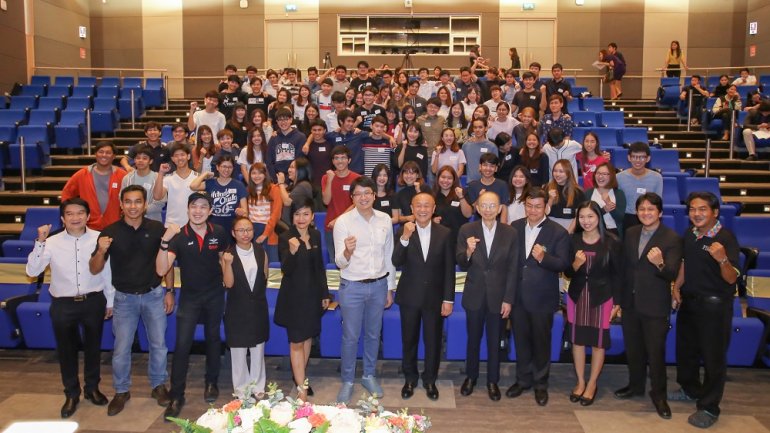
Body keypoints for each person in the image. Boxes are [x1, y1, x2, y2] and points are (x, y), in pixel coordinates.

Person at [88, 185, 173, 416]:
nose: (133, 206)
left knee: (159, 345)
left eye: (137, 201)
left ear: (145, 205)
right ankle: (121, 390)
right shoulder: (109, 232)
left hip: (154, 294)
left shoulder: (157, 229)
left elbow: (167, 261)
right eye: (128, 201)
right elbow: (94, 268)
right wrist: (100, 251)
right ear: (121, 204)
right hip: (124, 299)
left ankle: (158, 385)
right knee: (121, 348)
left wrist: (170, 291)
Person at [26, 198, 112, 418]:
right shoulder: (51, 242)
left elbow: (107, 272)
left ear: (88, 216)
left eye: (80, 213)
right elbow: (32, 271)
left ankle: (92, 388)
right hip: (63, 304)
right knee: (66, 351)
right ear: (63, 218)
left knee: (93, 348)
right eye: (70, 214)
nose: (76, 218)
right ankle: (71, 393)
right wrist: (40, 241)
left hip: (93, 300)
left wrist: (110, 301)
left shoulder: (99, 238)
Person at [156, 192, 230, 419]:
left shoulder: (219, 232)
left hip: (215, 294)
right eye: (194, 206)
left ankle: (211, 382)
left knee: (213, 339)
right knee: (182, 344)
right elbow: (161, 269)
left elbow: (224, 260)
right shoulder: (178, 236)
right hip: (190, 297)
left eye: (203, 207)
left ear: (210, 211)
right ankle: (177, 395)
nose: (198, 211)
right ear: (187, 209)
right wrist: (164, 241)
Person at [669, 191, 740, 429]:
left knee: (713, 357)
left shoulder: (725, 238)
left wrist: (722, 259)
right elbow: (685, 263)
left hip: (715, 306)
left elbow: (732, 279)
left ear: (715, 212)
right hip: (690, 301)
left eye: (702, 209)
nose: (696, 214)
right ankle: (690, 389)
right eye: (692, 209)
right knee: (686, 350)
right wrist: (677, 286)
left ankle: (709, 406)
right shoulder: (691, 234)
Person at [615, 192, 682, 420]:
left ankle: (659, 395)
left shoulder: (671, 238)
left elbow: (671, 273)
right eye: (642, 209)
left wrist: (659, 263)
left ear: (660, 213)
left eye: (651, 209)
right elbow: (624, 269)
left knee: (655, 353)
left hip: (655, 305)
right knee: (633, 349)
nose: (646, 213)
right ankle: (635, 386)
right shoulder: (631, 233)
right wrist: (619, 300)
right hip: (630, 302)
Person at [333, 176, 397, 403]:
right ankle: (348, 380)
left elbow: (389, 255)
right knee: (350, 337)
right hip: (352, 286)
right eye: (358, 194)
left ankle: (369, 375)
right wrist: (347, 251)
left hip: (379, 285)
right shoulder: (343, 222)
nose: (363, 197)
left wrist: (390, 287)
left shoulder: (385, 219)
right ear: (352, 197)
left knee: (373, 334)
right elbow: (339, 262)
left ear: (374, 195)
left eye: (367, 193)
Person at [507, 188, 570, 406]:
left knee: (541, 342)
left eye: (538, 206)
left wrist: (544, 258)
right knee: (521, 340)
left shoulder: (558, 232)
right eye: (529, 206)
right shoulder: (514, 227)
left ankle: (541, 384)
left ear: (546, 208)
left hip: (542, 297)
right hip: (518, 295)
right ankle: (523, 380)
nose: (533, 210)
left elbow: (563, 264)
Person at [456, 191, 519, 401]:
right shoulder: (467, 230)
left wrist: (508, 299)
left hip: (498, 297)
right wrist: (468, 251)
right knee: (473, 339)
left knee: (495, 341)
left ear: (500, 208)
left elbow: (513, 268)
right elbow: (461, 262)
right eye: (484, 205)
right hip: (474, 294)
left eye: (492, 206)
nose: (488, 209)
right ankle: (471, 377)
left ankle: (493, 380)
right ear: (477, 208)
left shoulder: (510, 233)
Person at [392, 192, 455, 401]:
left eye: (427, 205)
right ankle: (410, 379)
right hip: (409, 296)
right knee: (408, 340)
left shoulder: (445, 233)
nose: (422, 209)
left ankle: (430, 380)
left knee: (433, 342)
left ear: (434, 208)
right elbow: (396, 261)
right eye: (418, 205)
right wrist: (404, 238)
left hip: (434, 298)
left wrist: (448, 299)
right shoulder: (404, 230)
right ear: (412, 208)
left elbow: (449, 269)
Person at [564, 201, 623, 407]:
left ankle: (592, 383)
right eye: (582, 217)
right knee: (578, 341)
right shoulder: (573, 240)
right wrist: (576, 264)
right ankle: (580, 381)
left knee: (598, 343)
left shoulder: (612, 241)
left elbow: (618, 275)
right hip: (577, 296)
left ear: (598, 217)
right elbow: (567, 272)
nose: (586, 221)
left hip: (602, 297)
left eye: (590, 216)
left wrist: (617, 302)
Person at [276, 198, 330, 400]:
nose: (301, 218)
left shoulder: (316, 235)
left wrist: (324, 293)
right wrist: (292, 251)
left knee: (307, 338)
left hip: (312, 296)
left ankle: (301, 379)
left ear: (312, 216)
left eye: (305, 214)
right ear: (292, 217)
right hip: (293, 298)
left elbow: (319, 267)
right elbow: (286, 269)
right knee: (296, 342)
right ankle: (301, 391)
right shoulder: (286, 237)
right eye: (297, 214)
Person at [221, 216, 269, 399]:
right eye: (240, 230)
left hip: (257, 306)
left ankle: (258, 386)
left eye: (248, 229)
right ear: (233, 233)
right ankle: (241, 389)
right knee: (238, 351)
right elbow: (229, 284)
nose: (245, 233)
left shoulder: (261, 252)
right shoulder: (228, 255)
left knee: (258, 350)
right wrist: (227, 263)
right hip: (237, 308)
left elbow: (264, 277)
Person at [61, 141, 127, 231]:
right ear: (95, 154)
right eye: (101, 152)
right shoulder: (82, 174)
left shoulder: (122, 175)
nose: (104, 155)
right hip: (89, 226)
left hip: (115, 226)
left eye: (108, 152)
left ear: (114, 156)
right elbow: (67, 193)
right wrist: (70, 214)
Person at [322, 145, 361, 263]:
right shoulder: (326, 178)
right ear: (333, 161)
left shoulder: (357, 179)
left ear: (349, 160)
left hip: (352, 226)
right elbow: (326, 201)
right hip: (331, 228)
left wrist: (338, 220)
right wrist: (330, 180)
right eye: (336, 158)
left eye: (343, 157)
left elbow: (357, 203)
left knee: (354, 261)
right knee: (335, 262)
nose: (340, 161)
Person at [189, 154, 248, 230]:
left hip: (232, 227)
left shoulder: (239, 185)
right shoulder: (211, 182)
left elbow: (245, 212)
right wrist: (205, 174)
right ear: (217, 167)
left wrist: (241, 212)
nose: (227, 170)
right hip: (212, 226)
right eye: (224, 166)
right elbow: (193, 186)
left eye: (230, 167)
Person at [616, 141, 663, 233]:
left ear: (648, 158)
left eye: (642, 157)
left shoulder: (657, 177)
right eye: (634, 157)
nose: (638, 160)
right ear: (629, 158)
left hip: (648, 217)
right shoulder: (619, 177)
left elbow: (658, 203)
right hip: (626, 219)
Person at [153, 143, 198, 227]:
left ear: (188, 156)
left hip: (193, 225)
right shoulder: (168, 178)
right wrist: (161, 173)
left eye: (182, 155)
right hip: (171, 226)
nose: (179, 158)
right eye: (176, 156)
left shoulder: (197, 177)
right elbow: (157, 197)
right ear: (172, 159)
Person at [245, 162, 283, 263]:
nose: (256, 176)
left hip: (269, 230)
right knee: (254, 263)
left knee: (272, 264)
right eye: (253, 173)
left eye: (260, 173)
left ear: (265, 174)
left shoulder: (274, 189)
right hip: (252, 229)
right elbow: (244, 211)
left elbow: (276, 214)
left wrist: (265, 234)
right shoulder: (248, 190)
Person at [460, 153, 510, 223]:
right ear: (480, 167)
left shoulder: (502, 185)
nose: (488, 169)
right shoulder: (472, 185)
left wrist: (502, 227)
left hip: (497, 224)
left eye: (492, 166)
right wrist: (479, 198)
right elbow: (472, 212)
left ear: (496, 168)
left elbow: (504, 208)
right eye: (485, 165)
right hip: (478, 224)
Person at [120, 146, 166, 222]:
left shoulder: (159, 178)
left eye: (144, 158)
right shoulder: (127, 178)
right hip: (131, 221)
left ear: (150, 161)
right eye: (138, 158)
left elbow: (160, 204)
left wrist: (137, 211)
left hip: (152, 221)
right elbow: (121, 199)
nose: (140, 160)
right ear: (134, 160)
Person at [432, 166, 471, 250]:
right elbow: (426, 216)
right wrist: (432, 220)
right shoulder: (432, 196)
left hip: (459, 238)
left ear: (454, 180)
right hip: (440, 239)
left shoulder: (462, 192)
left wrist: (461, 197)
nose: (445, 180)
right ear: (438, 178)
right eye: (443, 177)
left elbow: (468, 214)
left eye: (449, 178)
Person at [585, 162, 626, 236]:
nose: (600, 176)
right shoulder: (588, 193)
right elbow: (585, 215)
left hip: (613, 232)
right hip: (593, 232)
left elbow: (620, 218)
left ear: (611, 176)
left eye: (604, 174)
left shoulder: (619, 193)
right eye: (598, 173)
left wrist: (608, 202)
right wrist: (604, 210)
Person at [266, 108, 307, 181]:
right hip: (277, 179)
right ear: (277, 121)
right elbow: (269, 161)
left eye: (286, 119)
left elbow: (299, 160)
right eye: (280, 120)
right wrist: (277, 179)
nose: (283, 122)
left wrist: (287, 180)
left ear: (291, 120)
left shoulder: (301, 137)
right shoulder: (273, 138)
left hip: (294, 179)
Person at [546, 159, 586, 233]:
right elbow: (544, 213)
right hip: (550, 226)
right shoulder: (547, 188)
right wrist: (550, 199)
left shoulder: (578, 192)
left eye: (561, 171)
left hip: (570, 227)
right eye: (555, 171)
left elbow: (579, 215)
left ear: (568, 173)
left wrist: (568, 233)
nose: (557, 174)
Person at [462, 118, 498, 183]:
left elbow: (495, 166)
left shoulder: (492, 147)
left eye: (480, 127)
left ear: (486, 128)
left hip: (488, 183)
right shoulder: (466, 146)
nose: (477, 130)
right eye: (475, 127)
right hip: (471, 183)